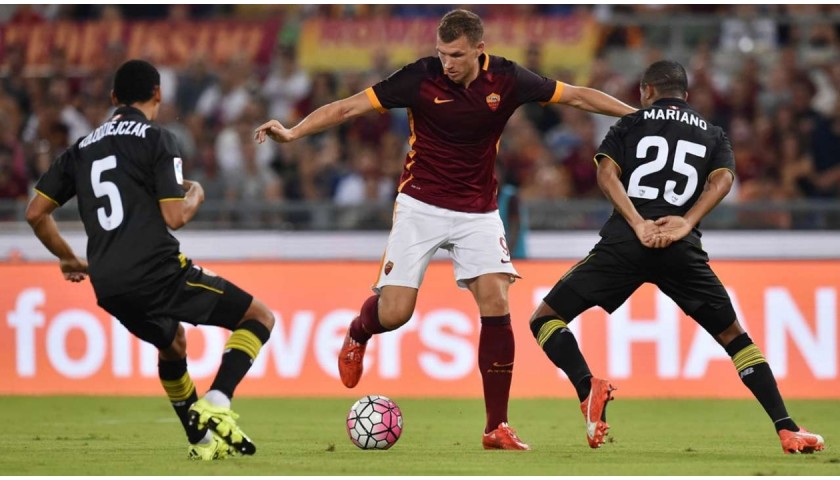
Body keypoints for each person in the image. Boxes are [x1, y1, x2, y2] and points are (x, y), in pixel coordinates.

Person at [255, 9, 635, 450]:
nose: (447, 63)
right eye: (442, 54)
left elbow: (576, 97)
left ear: (479, 49)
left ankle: (496, 426)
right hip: (421, 204)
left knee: (496, 298)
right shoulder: (420, 78)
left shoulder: (509, 79)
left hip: (478, 209)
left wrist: (640, 117)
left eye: (456, 55)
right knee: (395, 312)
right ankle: (359, 331)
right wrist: (294, 132)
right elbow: (349, 106)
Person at [529, 60, 825, 454]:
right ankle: (788, 429)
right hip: (680, 248)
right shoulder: (713, 133)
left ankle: (587, 388)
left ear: (646, 91)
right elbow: (724, 179)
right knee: (735, 338)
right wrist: (686, 222)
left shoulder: (630, 123)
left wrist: (637, 222)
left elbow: (606, 175)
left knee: (545, 319)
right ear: (685, 95)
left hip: (625, 244)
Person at [25, 60, 275, 461]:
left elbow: (35, 212)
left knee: (174, 345)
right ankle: (217, 399)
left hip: (107, 284)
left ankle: (202, 442)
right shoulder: (158, 138)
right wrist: (196, 195)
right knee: (259, 317)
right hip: (156, 271)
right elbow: (175, 216)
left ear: (113, 99)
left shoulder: (82, 147)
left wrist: (68, 257)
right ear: (158, 93)